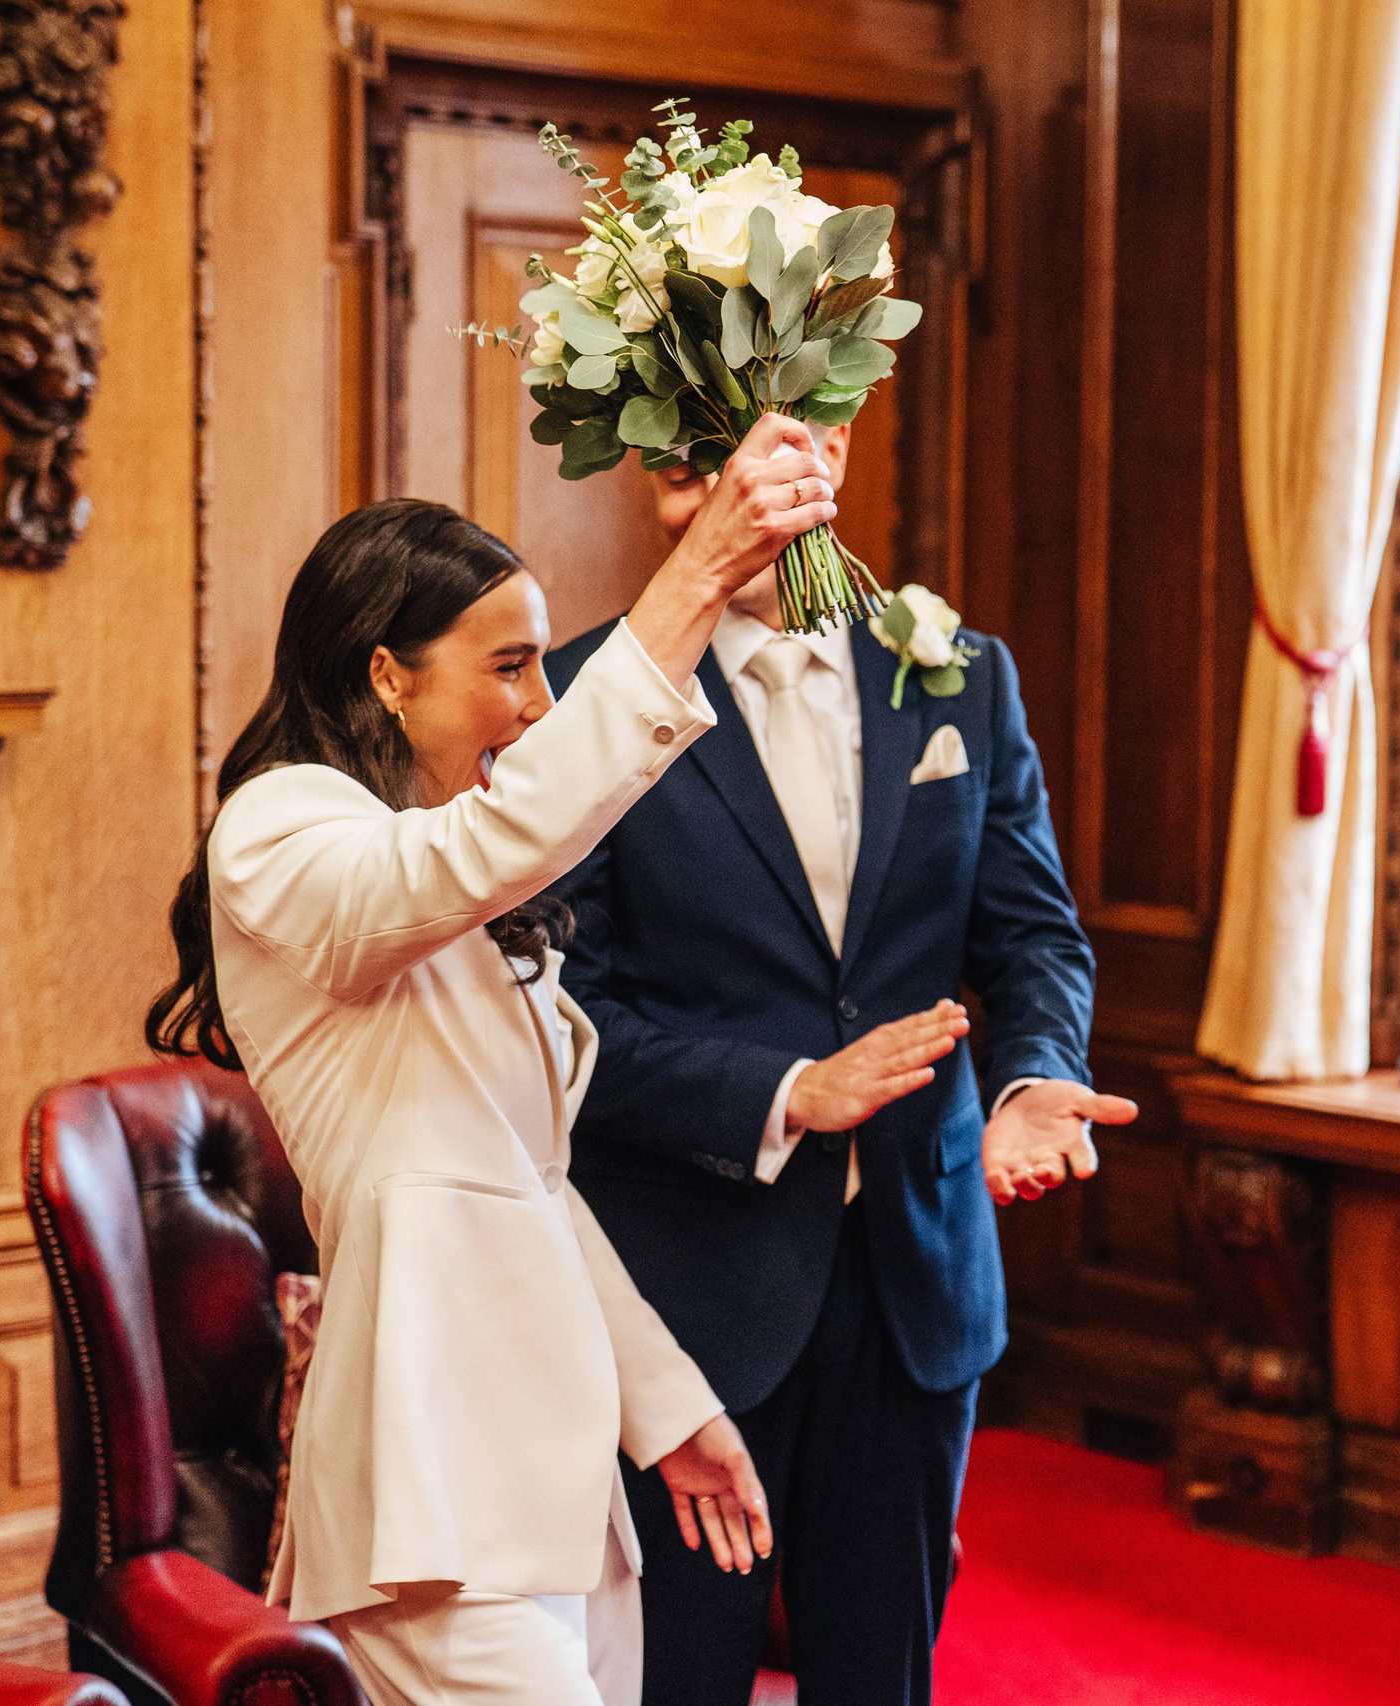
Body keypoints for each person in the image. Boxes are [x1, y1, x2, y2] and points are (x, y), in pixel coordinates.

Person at [144, 414, 836, 1706]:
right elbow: (488, 849)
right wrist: (691, 584)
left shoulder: (442, 867)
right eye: (508, 666)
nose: (536, 702)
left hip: (555, 1477)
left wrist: (668, 1407)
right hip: (434, 1473)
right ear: (388, 674)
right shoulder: (282, 825)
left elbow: (530, 1182)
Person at [542, 418, 1129, 1705]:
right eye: (685, 467)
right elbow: (561, 1026)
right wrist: (782, 1092)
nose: (716, 497)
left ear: (834, 449)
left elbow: (1031, 934)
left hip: (914, 1273)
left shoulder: (960, 674)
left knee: (883, 1678)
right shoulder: (585, 700)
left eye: (742, 456)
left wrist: (1032, 1079)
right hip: (693, 1300)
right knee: (678, 1679)